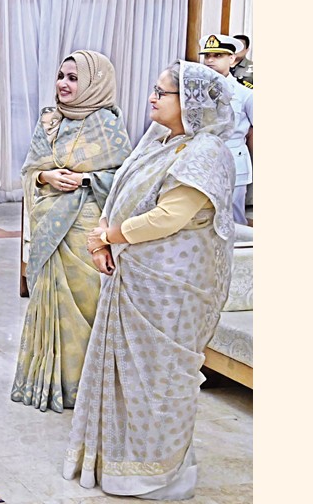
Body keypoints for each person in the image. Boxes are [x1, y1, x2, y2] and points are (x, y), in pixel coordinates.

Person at [63, 61, 236, 500]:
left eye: (162, 93)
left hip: (171, 289)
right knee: (124, 377)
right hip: (132, 275)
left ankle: (157, 473)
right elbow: (120, 192)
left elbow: (168, 217)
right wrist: (102, 240)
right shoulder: (160, 139)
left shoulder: (206, 151)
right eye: (155, 90)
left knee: (160, 378)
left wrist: (108, 236)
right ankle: (117, 465)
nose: (152, 98)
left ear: (191, 102)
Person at [10, 50, 132, 413]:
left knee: (85, 306)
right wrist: (45, 176)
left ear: (95, 83)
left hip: (86, 227)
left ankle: (83, 385)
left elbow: (124, 179)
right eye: (61, 76)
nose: (63, 84)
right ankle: (47, 381)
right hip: (50, 222)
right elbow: (30, 169)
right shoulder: (49, 119)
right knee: (49, 299)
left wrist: (87, 179)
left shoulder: (107, 124)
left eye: (74, 78)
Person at [199, 34, 253, 224]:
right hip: (203, 159)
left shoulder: (245, 94)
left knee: (234, 218)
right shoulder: (196, 92)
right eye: (207, 56)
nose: (210, 60)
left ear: (232, 59)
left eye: (218, 55)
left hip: (234, 159)